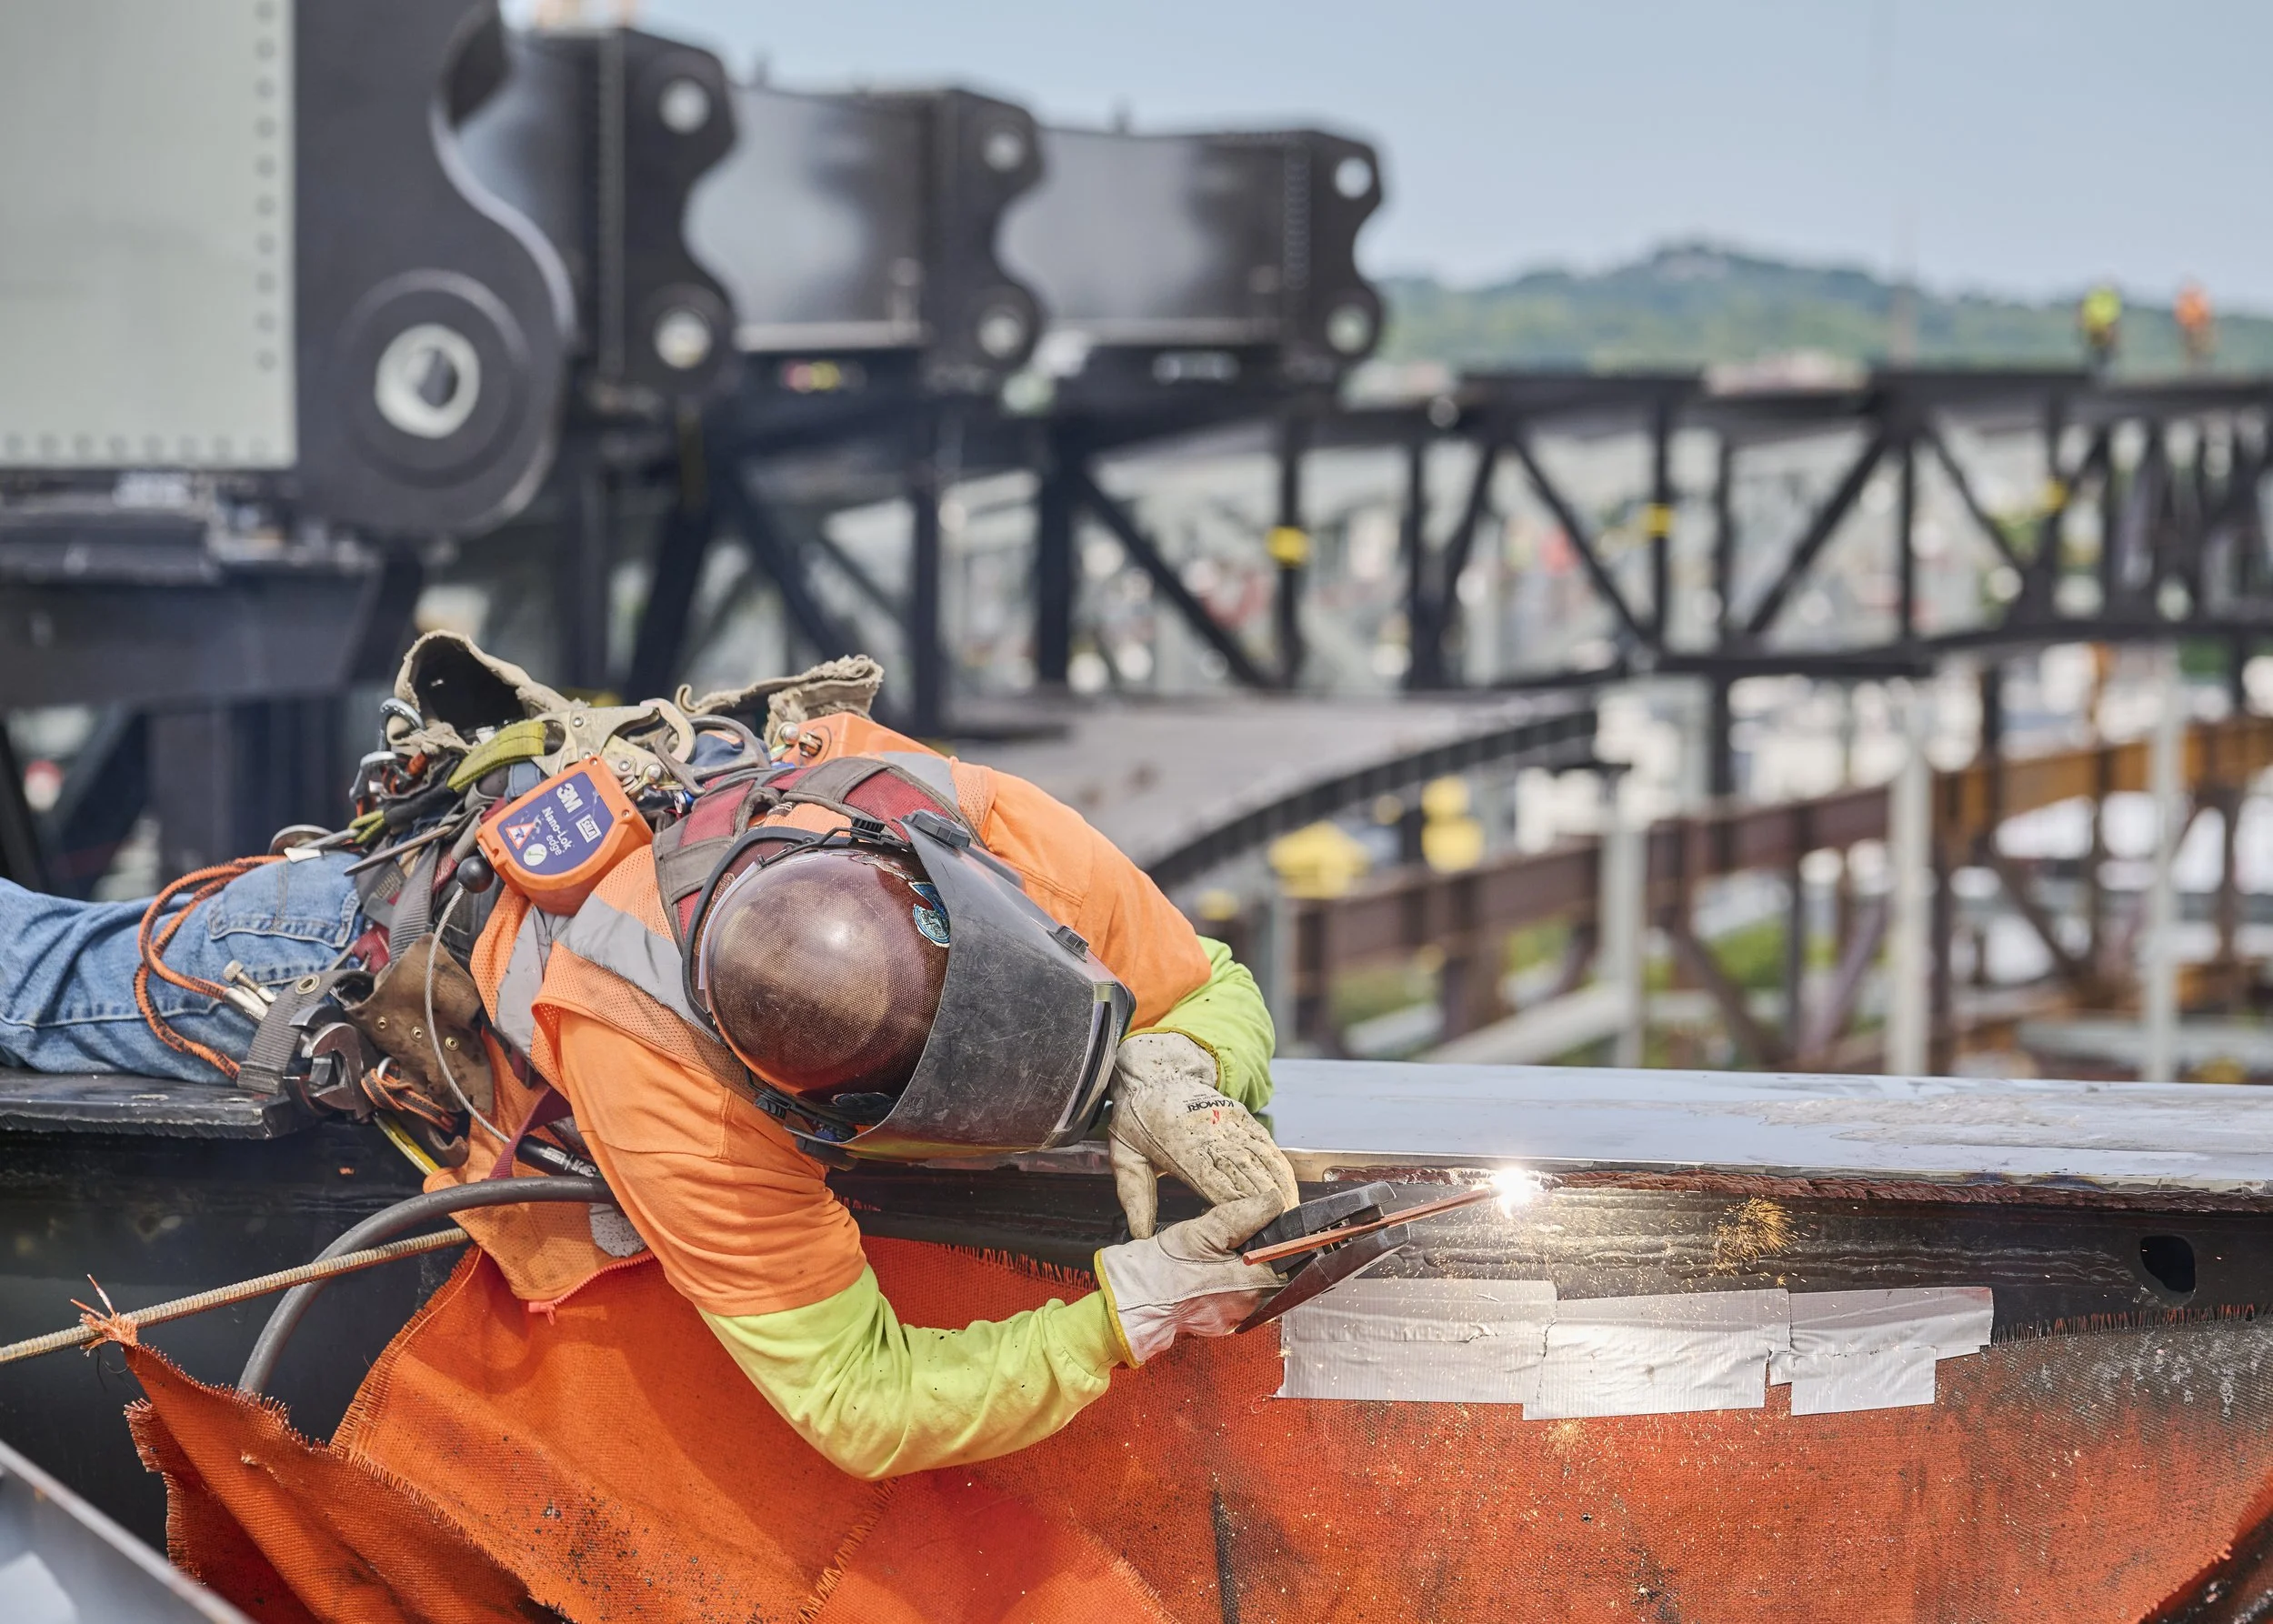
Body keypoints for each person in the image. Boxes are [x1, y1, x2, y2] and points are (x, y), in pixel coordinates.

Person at [0, 634, 1300, 1479]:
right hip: (321, 946)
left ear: (962, 898)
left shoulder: (964, 814)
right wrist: (1121, 1320)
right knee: (40, 980)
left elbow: (1212, 983)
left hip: (534, 866)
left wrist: (1175, 1071)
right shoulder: (665, 1070)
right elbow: (862, 1400)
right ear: (806, 1102)